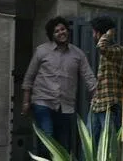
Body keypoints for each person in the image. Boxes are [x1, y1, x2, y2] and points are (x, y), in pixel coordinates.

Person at [21, 17, 97, 157]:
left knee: (63, 146)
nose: (61, 32)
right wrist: (26, 102)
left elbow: (89, 77)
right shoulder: (42, 51)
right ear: (52, 35)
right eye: (56, 31)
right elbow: (29, 77)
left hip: (66, 106)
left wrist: (96, 95)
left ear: (67, 30)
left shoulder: (78, 54)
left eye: (63, 29)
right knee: (47, 139)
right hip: (43, 102)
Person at [88, 16, 123, 143]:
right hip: (97, 104)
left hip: (109, 104)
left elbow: (101, 47)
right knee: (90, 143)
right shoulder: (109, 51)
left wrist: (108, 34)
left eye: (94, 32)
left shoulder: (117, 50)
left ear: (99, 33)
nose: (93, 35)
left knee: (108, 144)